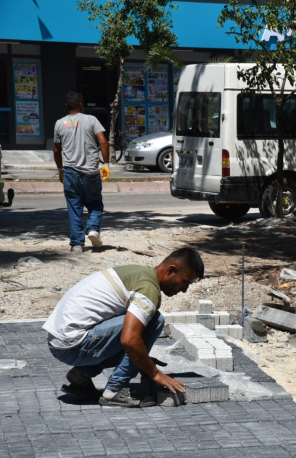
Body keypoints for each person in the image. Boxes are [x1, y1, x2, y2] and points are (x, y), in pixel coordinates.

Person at [45, 248, 204, 407]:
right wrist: (155, 374)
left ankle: (80, 375)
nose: (184, 290)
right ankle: (115, 390)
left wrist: (144, 360)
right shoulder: (149, 290)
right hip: (73, 345)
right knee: (154, 321)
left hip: (59, 342)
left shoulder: (139, 273)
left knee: (136, 337)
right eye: (185, 282)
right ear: (171, 271)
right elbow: (129, 340)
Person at [53, 92, 110, 253]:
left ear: (66, 106)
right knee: (95, 203)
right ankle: (93, 229)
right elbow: (103, 142)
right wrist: (106, 164)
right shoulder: (91, 120)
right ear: (81, 104)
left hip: (70, 172)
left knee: (74, 207)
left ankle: (77, 244)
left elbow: (56, 150)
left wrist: (60, 170)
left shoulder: (59, 123)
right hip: (91, 171)